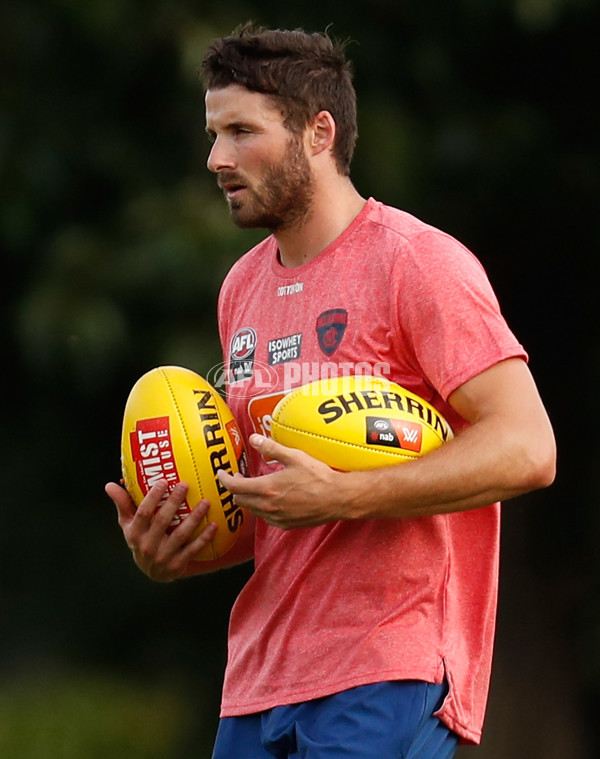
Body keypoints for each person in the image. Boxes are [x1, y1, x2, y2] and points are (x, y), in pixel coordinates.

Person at [106, 24, 556, 759]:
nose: (216, 158)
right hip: (258, 678)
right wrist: (181, 546)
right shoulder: (241, 288)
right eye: (213, 133)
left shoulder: (418, 264)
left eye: (242, 131)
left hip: (388, 664)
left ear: (320, 132)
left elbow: (530, 448)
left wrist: (347, 495)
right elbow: (283, 502)